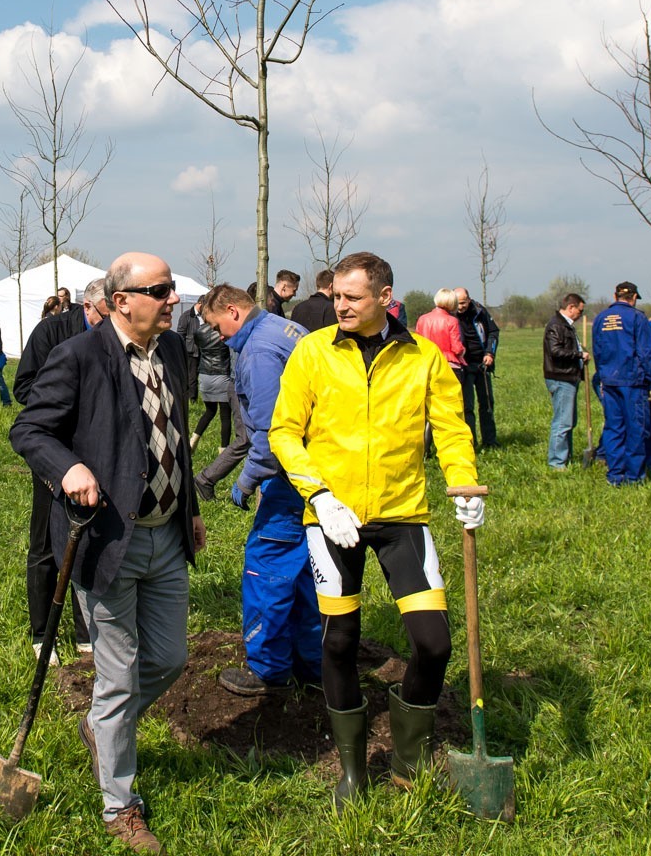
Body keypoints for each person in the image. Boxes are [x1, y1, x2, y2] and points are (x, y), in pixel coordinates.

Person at [269, 252, 481, 812]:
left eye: (352, 298)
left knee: (434, 644)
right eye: (336, 295)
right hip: (332, 519)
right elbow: (284, 432)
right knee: (338, 641)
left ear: (385, 298)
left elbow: (453, 432)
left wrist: (464, 487)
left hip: (401, 515)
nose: (338, 305)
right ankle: (352, 772)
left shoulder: (424, 358)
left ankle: (410, 765)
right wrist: (318, 494)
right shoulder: (313, 352)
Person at [10, 252, 205, 854]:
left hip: (166, 532)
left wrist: (191, 507)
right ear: (122, 301)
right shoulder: (79, 356)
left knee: (169, 657)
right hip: (108, 540)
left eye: (173, 289)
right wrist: (68, 467)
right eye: (162, 289)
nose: (174, 299)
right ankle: (120, 806)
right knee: (117, 678)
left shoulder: (171, 350)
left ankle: (100, 726)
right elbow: (29, 429)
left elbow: (173, 433)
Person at [202, 284, 322, 696]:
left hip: (290, 477)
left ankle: (269, 669)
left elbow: (272, 434)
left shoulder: (257, 354)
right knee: (306, 570)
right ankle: (313, 662)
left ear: (233, 311)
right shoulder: (286, 329)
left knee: (267, 567)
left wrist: (247, 479)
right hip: (319, 470)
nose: (219, 336)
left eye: (217, 326)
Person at [14, 278, 110, 663]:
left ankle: (86, 631)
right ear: (88, 307)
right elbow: (23, 388)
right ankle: (43, 635)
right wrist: (69, 392)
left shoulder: (114, 336)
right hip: (56, 450)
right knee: (45, 543)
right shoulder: (50, 332)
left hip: (99, 450)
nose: (110, 323)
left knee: (91, 539)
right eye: (105, 315)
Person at [592, 281, 651, 486]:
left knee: (613, 427)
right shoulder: (637, 318)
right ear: (634, 297)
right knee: (636, 428)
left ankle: (615, 475)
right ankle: (634, 477)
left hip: (609, 381)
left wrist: (602, 376)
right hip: (633, 382)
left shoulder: (601, 318)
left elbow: (598, 352)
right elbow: (646, 353)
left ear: (615, 295)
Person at [543, 293, 589, 470]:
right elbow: (555, 351)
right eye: (580, 311)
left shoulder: (566, 326)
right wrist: (578, 355)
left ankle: (566, 455)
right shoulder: (556, 325)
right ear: (571, 307)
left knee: (569, 421)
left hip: (569, 376)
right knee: (562, 422)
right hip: (560, 377)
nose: (581, 315)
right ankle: (556, 463)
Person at [455, 287, 500, 449]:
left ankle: (490, 441)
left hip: (483, 364)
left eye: (463, 303)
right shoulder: (451, 315)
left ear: (469, 299)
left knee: (487, 404)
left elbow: (494, 332)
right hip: (464, 367)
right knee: (467, 407)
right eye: (457, 303)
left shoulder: (480, 311)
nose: (460, 307)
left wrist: (490, 353)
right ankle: (470, 443)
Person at [188, 316, 233, 453]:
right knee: (225, 416)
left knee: (209, 411)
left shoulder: (199, 332)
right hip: (222, 374)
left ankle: (193, 440)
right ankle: (223, 450)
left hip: (204, 374)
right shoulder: (223, 331)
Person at [415, 290, 467, 380]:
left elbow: (417, 343)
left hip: (426, 364)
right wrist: (463, 350)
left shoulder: (422, 319)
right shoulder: (452, 320)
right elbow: (457, 349)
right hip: (448, 365)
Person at [176, 297, 203, 402]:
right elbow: (181, 334)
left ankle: (195, 397)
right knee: (192, 376)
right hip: (191, 351)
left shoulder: (204, 316)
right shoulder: (186, 316)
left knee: (197, 375)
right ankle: (192, 398)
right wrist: (184, 349)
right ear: (200, 303)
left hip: (202, 350)